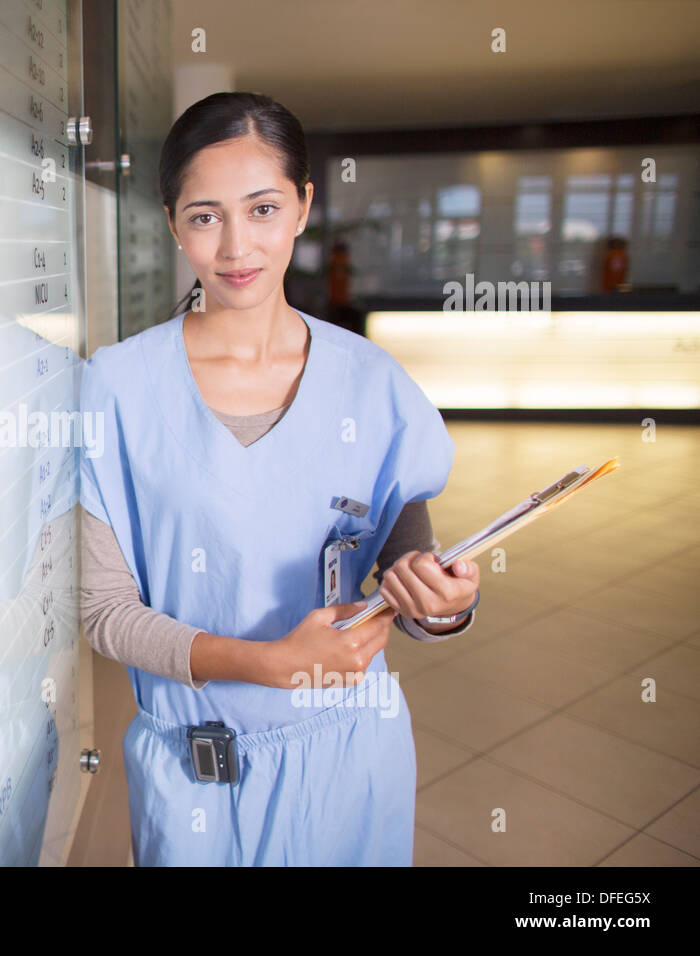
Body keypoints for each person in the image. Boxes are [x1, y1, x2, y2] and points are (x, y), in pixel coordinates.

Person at [77, 92, 481, 866]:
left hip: (349, 758)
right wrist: (261, 664)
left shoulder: (371, 383)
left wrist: (442, 604)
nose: (236, 247)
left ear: (302, 206)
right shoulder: (118, 388)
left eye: (262, 209)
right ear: (172, 223)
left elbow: (405, 562)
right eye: (204, 216)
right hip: (193, 773)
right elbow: (104, 612)